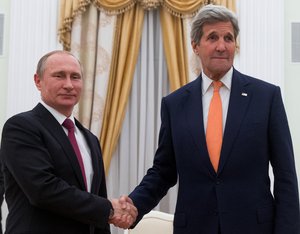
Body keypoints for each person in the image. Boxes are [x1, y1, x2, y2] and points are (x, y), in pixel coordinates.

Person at [121, 4, 300, 234]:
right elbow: (163, 171)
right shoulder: (174, 104)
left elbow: (286, 175)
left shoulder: (266, 97)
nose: (221, 46)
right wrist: (134, 206)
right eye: (212, 37)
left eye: (228, 38)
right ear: (195, 45)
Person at [0, 50, 137, 234]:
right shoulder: (21, 127)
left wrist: (108, 211)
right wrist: (109, 209)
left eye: (75, 77)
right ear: (38, 81)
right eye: (59, 76)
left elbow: (97, 200)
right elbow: (43, 190)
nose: (69, 85)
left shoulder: (90, 139)